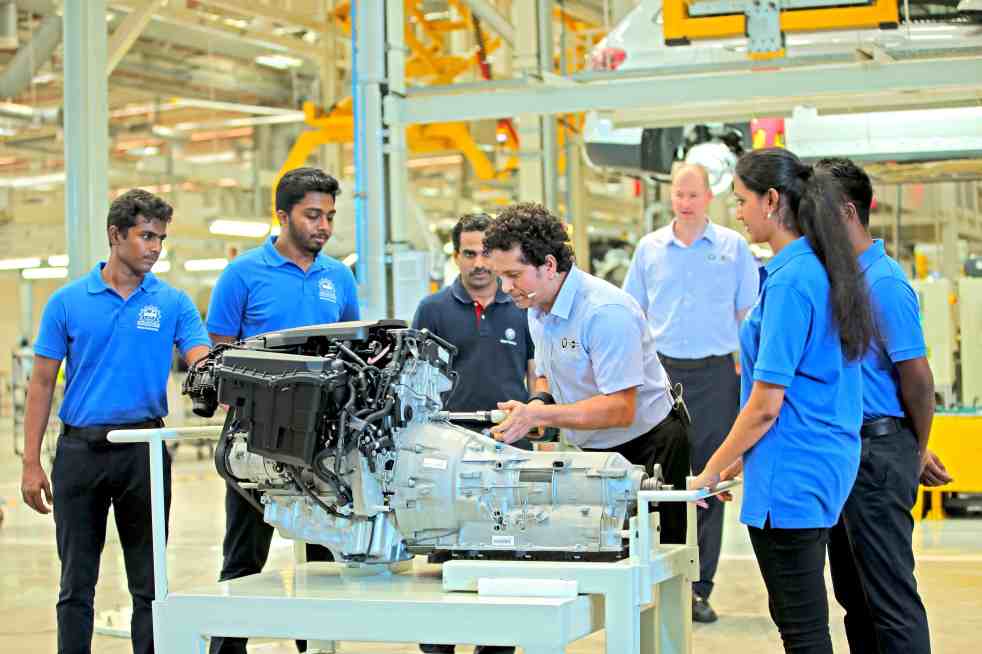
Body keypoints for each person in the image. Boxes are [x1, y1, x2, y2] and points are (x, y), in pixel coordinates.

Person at [689, 148, 875, 653]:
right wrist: (738, 463)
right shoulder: (818, 268)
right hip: (817, 462)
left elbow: (767, 403)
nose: (738, 213)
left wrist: (710, 470)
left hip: (792, 474)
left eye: (741, 201)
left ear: (771, 200)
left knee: (802, 629)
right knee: (805, 622)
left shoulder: (791, 282)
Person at [20, 189, 211, 654]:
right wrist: (30, 462)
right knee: (75, 584)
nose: (155, 248)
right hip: (80, 453)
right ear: (115, 234)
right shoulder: (67, 302)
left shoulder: (172, 303)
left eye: (160, 238)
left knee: (149, 584)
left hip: (144, 453)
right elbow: (41, 383)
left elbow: (202, 361)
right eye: (146, 236)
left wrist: (217, 380)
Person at [206, 167, 359, 654]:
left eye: (329, 216)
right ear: (282, 216)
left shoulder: (339, 276)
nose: (324, 226)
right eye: (313, 215)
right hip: (256, 438)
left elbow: (353, 350)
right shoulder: (243, 274)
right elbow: (220, 354)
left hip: (324, 443)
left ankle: (314, 649)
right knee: (244, 555)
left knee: (323, 562)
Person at [483, 202, 691, 545]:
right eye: (500, 276)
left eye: (514, 275)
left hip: (650, 449)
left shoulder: (605, 313)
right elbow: (547, 374)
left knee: (657, 558)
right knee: (602, 551)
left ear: (549, 265)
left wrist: (543, 415)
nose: (505, 287)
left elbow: (620, 409)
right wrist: (537, 406)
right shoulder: (537, 308)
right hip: (595, 451)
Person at [818, 156, 951, 654]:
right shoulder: (844, 280)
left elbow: (917, 379)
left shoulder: (884, 283)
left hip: (877, 453)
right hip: (849, 452)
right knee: (856, 599)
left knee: (890, 602)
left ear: (847, 212)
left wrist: (914, 448)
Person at [623, 163, 759, 623]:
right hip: (661, 373)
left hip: (716, 373)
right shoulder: (649, 249)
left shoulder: (733, 248)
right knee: (657, 475)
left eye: (693, 195)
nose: (685, 203)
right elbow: (632, 313)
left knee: (709, 475)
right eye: (679, 194)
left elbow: (748, 314)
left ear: (709, 197)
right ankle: (656, 579)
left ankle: (699, 588)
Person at [412, 212, 535, 449]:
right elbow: (416, 380)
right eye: (470, 254)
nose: (479, 264)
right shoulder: (431, 309)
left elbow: (535, 372)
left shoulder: (523, 306)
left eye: (486, 253)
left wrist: (542, 430)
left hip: (513, 435)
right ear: (456, 257)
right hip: (449, 440)